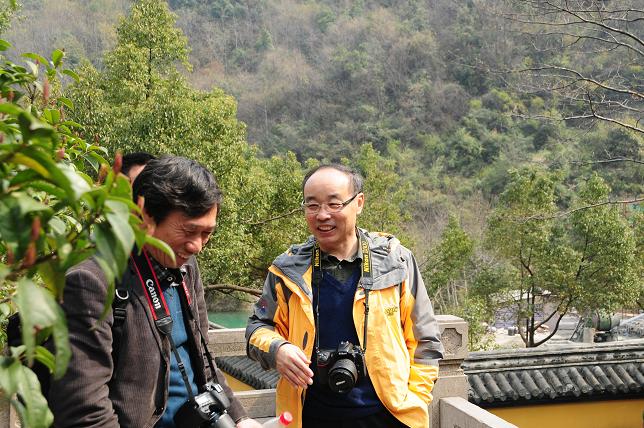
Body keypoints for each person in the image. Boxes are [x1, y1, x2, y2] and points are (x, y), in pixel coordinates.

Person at [49, 156, 261, 428]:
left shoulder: (185, 267)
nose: (197, 246)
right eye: (189, 230)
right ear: (144, 217)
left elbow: (203, 357)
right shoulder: (92, 282)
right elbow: (85, 408)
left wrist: (240, 418)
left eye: (207, 233)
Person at [246, 164, 444, 428]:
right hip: (310, 416)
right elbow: (257, 328)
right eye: (312, 205)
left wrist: (414, 400)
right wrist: (277, 349)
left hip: (388, 417)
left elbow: (425, 340)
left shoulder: (395, 262)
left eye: (334, 204)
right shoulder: (287, 270)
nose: (322, 215)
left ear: (358, 202)